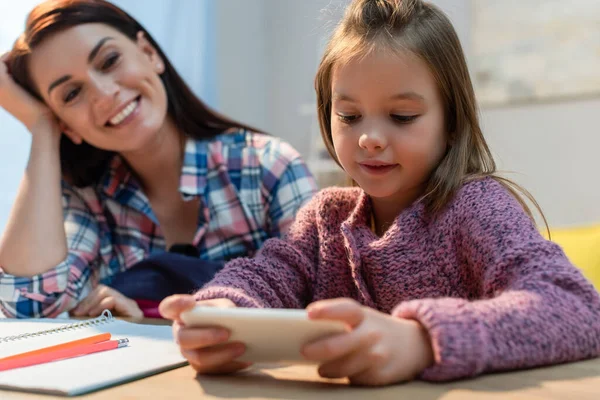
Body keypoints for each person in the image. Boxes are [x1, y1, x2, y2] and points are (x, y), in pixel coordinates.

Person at [160, 0, 600, 387]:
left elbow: (579, 309)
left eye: (402, 116)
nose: (369, 137)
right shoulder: (324, 219)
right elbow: (267, 275)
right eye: (349, 116)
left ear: (451, 123)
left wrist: (422, 342)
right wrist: (222, 313)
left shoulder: (476, 207)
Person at [0, 0, 317, 319]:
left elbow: (320, 300)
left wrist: (155, 319)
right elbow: (26, 307)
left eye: (109, 61)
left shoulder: (270, 166)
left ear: (149, 54)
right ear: (66, 124)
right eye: (71, 94)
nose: (104, 93)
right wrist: (42, 127)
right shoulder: (87, 200)